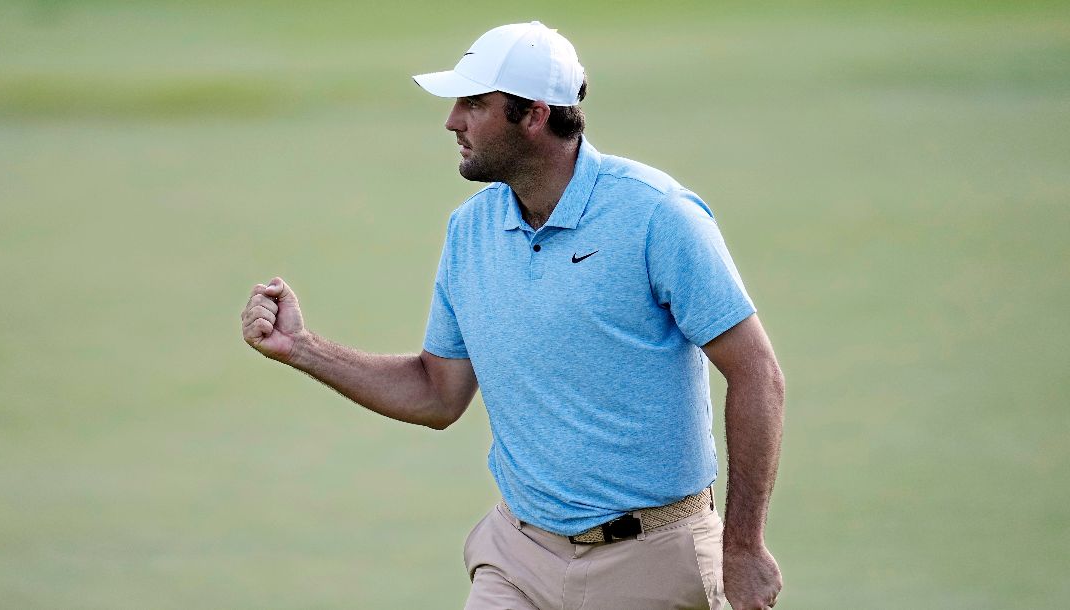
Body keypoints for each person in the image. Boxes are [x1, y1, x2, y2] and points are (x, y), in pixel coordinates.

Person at [241, 21, 784, 610]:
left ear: (534, 115)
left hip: (653, 559)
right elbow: (436, 393)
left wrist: (744, 545)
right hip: (519, 558)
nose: (453, 121)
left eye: (474, 103)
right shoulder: (469, 230)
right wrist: (302, 347)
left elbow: (758, 374)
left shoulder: (659, 216)